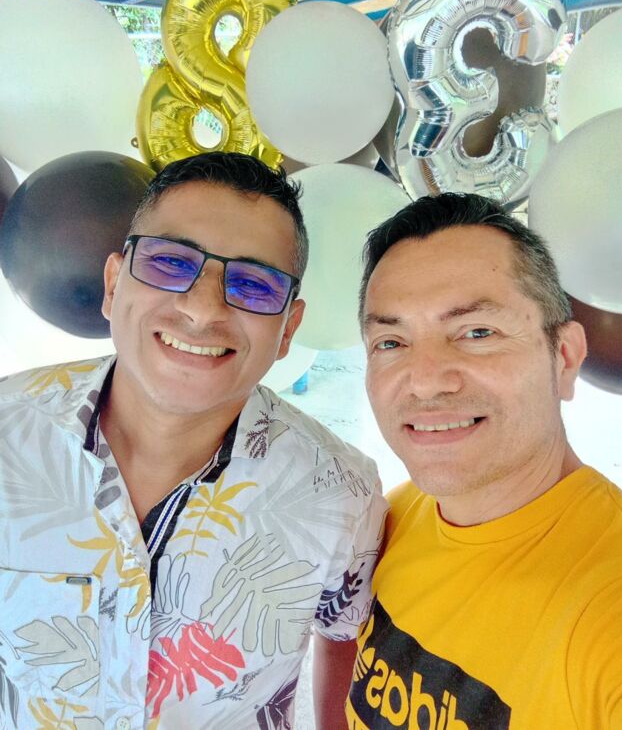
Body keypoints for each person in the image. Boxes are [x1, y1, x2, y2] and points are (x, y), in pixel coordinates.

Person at [0, 151, 387, 730]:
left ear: (288, 329)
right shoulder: (7, 431)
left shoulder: (343, 493)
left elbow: (345, 635)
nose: (204, 309)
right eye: (169, 262)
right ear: (113, 285)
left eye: (253, 284)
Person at [346, 193, 622, 729]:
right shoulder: (397, 516)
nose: (426, 380)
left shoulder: (618, 606)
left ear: (564, 357)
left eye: (477, 332)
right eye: (390, 341)